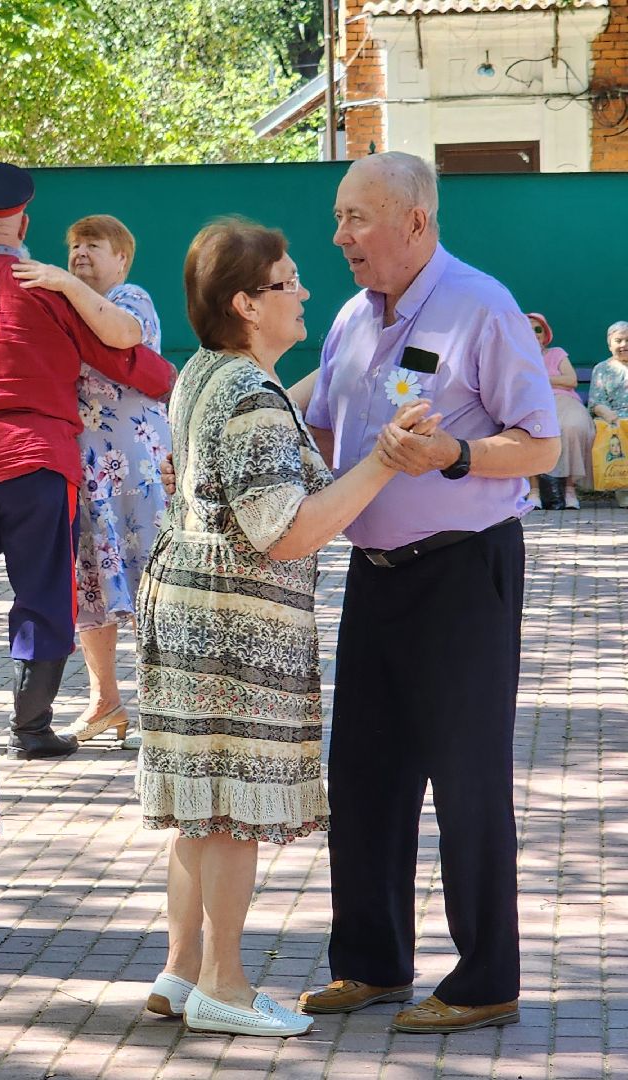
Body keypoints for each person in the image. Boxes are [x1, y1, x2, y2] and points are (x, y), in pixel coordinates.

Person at [137, 217, 420, 1038]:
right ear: (245, 304)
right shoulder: (251, 397)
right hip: (235, 632)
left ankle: (180, 973)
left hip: (188, 612)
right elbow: (284, 531)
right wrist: (383, 462)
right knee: (231, 809)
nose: (304, 292)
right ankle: (225, 984)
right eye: (287, 282)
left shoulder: (206, 373)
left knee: (202, 805)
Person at [299, 152, 559, 1034]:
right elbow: (323, 423)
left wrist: (457, 455)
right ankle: (371, 965)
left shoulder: (480, 306)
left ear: (414, 221)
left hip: (462, 570)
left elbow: (542, 444)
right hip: (373, 578)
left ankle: (486, 979)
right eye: (337, 219)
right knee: (365, 777)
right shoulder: (347, 317)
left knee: (467, 779)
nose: (339, 238)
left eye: (355, 220)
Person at [0, 162, 174, 760]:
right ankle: (31, 727)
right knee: (44, 591)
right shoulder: (55, 292)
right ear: (24, 224)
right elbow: (124, 359)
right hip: (42, 465)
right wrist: (169, 378)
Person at [12, 214, 175, 749]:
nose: (79, 253)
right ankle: (105, 701)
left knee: (150, 577)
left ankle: (164, 703)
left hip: (135, 465)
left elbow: (119, 338)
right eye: (74, 244)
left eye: (93, 245)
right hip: (85, 466)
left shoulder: (131, 297)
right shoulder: (64, 303)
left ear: (121, 258)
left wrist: (63, 283)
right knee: (91, 584)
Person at [524, 313, 592, 510]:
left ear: (546, 335)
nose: (534, 333)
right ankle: (534, 491)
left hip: (565, 400)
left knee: (573, 427)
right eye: (528, 329)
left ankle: (570, 490)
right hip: (534, 402)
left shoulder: (557, 354)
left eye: (538, 329)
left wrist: (540, 377)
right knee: (531, 428)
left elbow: (571, 380)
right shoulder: (518, 357)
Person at [589, 321, 628, 507]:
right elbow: (596, 403)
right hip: (615, 419)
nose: (624, 345)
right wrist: (610, 415)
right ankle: (624, 490)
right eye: (618, 340)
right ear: (609, 344)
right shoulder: (602, 369)